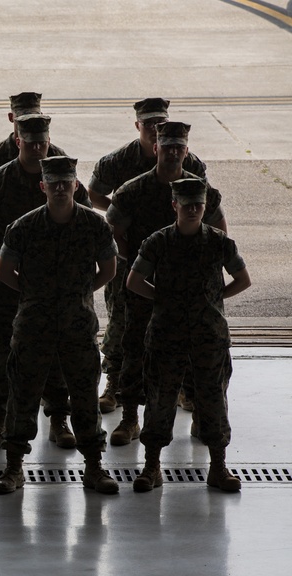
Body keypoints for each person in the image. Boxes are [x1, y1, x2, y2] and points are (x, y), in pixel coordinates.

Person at [0, 156, 119, 495]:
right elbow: (3, 272)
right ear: (43, 186)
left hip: (77, 326)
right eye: (54, 183)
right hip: (33, 327)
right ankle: (14, 468)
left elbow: (109, 269)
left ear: (76, 185)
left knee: (84, 397)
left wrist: (78, 293)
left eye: (67, 182)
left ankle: (94, 466)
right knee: (22, 396)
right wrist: (36, 294)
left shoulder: (95, 226)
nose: (61, 188)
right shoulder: (24, 227)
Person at [105, 121, 227, 446]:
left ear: (186, 151)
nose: (172, 152)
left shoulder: (200, 191)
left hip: (192, 294)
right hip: (145, 289)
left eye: (179, 148)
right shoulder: (133, 191)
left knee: (197, 354)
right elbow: (112, 233)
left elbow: (219, 235)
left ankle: (201, 414)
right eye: (167, 146)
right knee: (135, 350)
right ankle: (130, 417)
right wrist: (133, 268)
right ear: (155, 148)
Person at [126, 178, 250, 493]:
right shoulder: (158, 242)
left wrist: (213, 299)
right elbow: (134, 280)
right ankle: (151, 467)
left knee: (212, 399)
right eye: (187, 204)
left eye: (199, 204)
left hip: (208, 334)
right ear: (175, 206)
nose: (193, 210)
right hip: (167, 334)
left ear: (205, 207)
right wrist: (163, 299)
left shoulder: (220, 242)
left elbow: (243, 279)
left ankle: (218, 467)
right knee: (160, 398)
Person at [0, 113, 86, 450]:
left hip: (54, 281)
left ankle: (58, 416)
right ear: (17, 140)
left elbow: (84, 215)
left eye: (42, 142)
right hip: (8, 278)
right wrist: (2, 250)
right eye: (30, 141)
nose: (37, 148)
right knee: (1, 342)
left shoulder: (61, 173)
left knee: (56, 345)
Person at [87, 98, 207, 413]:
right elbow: (94, 194)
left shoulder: (190, 163)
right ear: (137, 125)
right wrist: (122, 211)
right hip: (131, 257)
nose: (156, 130)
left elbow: (205, 206)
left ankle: (182, 387)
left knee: (180, 324)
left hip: (175, 259)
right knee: (122, 324)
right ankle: (115, 384)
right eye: (150, 124)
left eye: (161, 123)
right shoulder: (117, 162)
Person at [0, 92, 65, 201]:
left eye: (33, 115)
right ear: (11, 117)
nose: (29, 121)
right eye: (22, 117)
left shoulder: (56, 157)